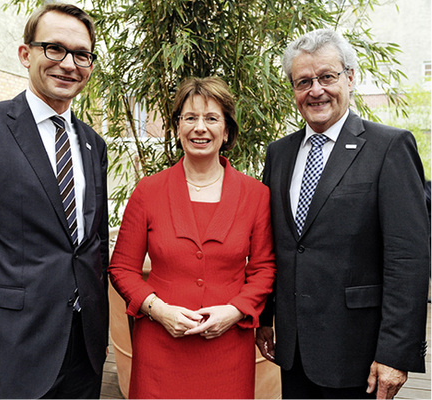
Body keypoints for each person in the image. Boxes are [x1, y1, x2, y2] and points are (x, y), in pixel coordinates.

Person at [0, 3, 109, 398]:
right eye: (54, 48)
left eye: (81, 54)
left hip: (84, 353)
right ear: (25, 54)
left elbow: (93, 248)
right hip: (10, 355)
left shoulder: (92, 144)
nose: (68, 64)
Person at [256, 29, 430, 399]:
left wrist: (395, 353)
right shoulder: (279, 154)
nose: (315, 90)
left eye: (327, 77)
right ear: (293, 90)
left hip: (359, 355)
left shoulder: (389, 147)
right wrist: (265, 318)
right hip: (294, 350)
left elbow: (408, 257)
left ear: (350, 77)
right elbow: (276, 246)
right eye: (304, 81)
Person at [109, 77, 276, 399]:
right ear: (177, 127)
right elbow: (122, 269)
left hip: (228, 345)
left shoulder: (255, 195)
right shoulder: (148, 191)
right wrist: (159, 310)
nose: (201, 128)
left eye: (212, 118)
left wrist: (236, 310)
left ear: (227, 131)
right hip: (160, 345)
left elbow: (264, 268)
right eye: (190, 118)